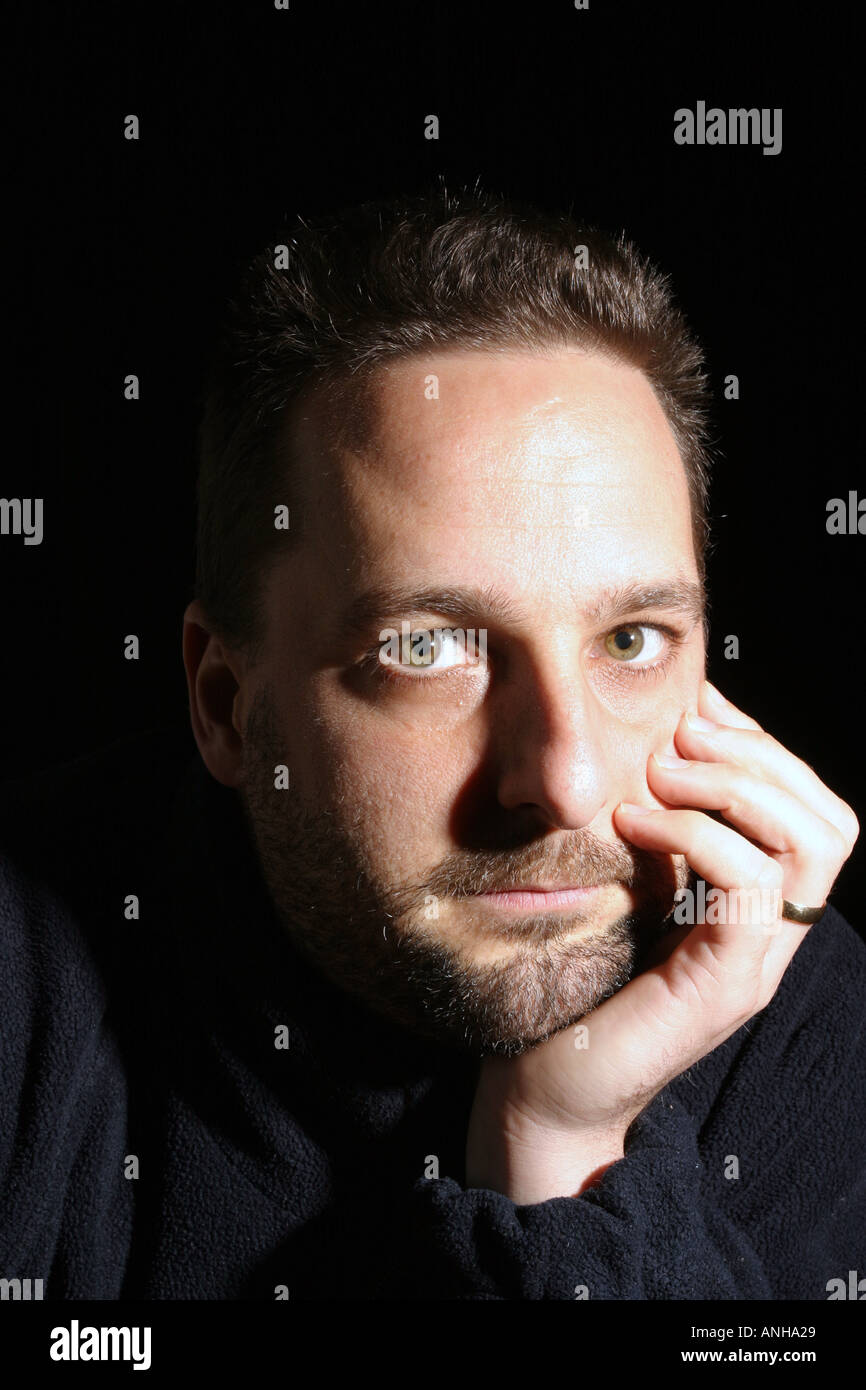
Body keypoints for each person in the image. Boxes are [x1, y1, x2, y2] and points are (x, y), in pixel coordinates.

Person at [0, 186, 862, 1301]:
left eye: (631, 638)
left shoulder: (779, 999)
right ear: (222, 703)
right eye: (424, 646)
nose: (564, 778)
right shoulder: (33, 985)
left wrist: (563, 1155)